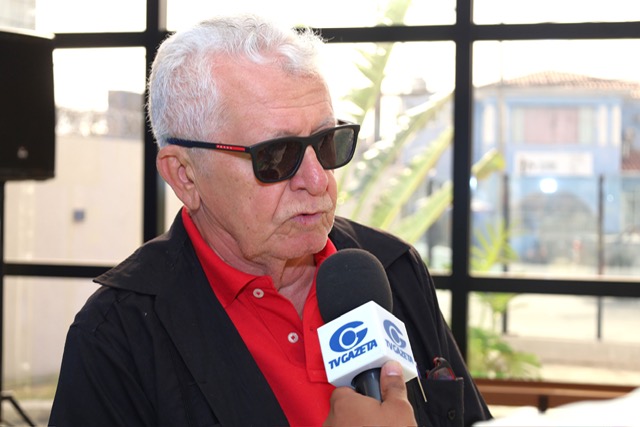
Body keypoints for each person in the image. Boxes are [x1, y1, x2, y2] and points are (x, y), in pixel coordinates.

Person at [49, 14, 491, 427]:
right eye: (276, 156)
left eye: (327, 142)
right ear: (185, 175)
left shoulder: (392, 269)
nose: (317, 180)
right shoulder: (117, 336)